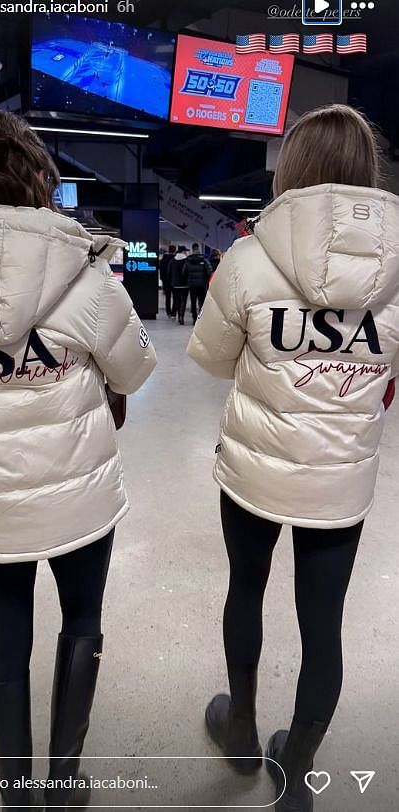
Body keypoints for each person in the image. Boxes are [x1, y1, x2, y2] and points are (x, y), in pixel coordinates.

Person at [0, 110, 156, 810]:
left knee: (5, 638)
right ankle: (63, 783)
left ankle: (14, 797)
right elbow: (135, 369)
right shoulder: (81, 270)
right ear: (37, 176)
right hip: (76, 487)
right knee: (80, 622)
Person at [188, 104, 399, 812]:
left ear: (291, 171)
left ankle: (241, 732)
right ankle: (297, 772)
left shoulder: (248, 257)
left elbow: (213, 361)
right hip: (341, 476)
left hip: (254, 464)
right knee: (323, 623)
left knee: (244, 591)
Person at [183, 242, 212, 323]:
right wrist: (205, 280)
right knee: (202, 302)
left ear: (192, 249)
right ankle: (201, 318)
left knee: (193, 302)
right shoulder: (204, 259)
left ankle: (194, 318)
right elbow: (209, 271)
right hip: (202, 284)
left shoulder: (188, 260)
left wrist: (189, 278)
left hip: (192, 284)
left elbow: (184, 272)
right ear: (198, 249)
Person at [169, 244, 190, 324]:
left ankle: (177, 315)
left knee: (177, 300)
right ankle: (181, 316)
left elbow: (169, 272)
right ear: (183, 251)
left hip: (175, 284)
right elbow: (188, 272)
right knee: (183, 301)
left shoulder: (172, 260)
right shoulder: (186, 260)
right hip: (185, 284)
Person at [159, 244, 176, 318]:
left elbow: (161, 270)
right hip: (175, 281)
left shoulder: (164, 259)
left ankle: (168, 312)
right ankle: (174, 312)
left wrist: (162, 279)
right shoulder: (175, 259)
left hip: (166, 280)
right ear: (175, 250)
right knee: (175, 297)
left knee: (167, 297)